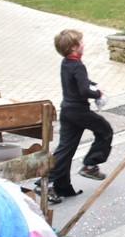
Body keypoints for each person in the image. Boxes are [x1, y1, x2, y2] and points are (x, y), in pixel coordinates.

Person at [46, 29, 113, 203]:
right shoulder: (78, 66)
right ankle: (90, 164)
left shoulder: (67, 63)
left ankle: (52, 183)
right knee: (105, 130)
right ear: (74, 48)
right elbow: (83, 90)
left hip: (67, 111)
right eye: (81, 42)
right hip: (78, 111)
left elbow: (78, 83)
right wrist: (98, 93)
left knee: (65, 149)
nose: (84, 45)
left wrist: (92, 84)